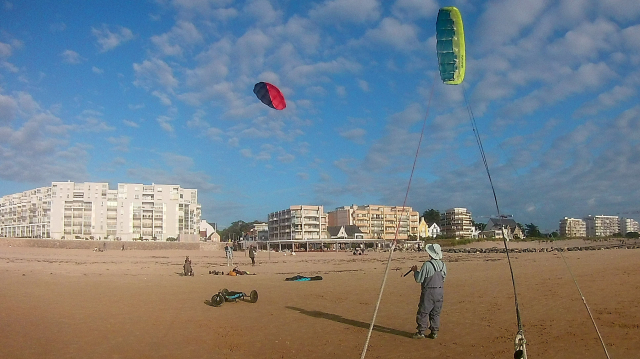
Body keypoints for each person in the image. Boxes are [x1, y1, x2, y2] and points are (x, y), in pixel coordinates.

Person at [411, 243, 446, 339]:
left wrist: (415, 271)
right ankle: (434, 332)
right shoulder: (443, 264)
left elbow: (419, 279)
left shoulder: (427, 264)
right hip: (440, 291)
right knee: (436, 312)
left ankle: (421, 332)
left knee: (423, 311)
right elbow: (443, 278)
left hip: (429, 291)